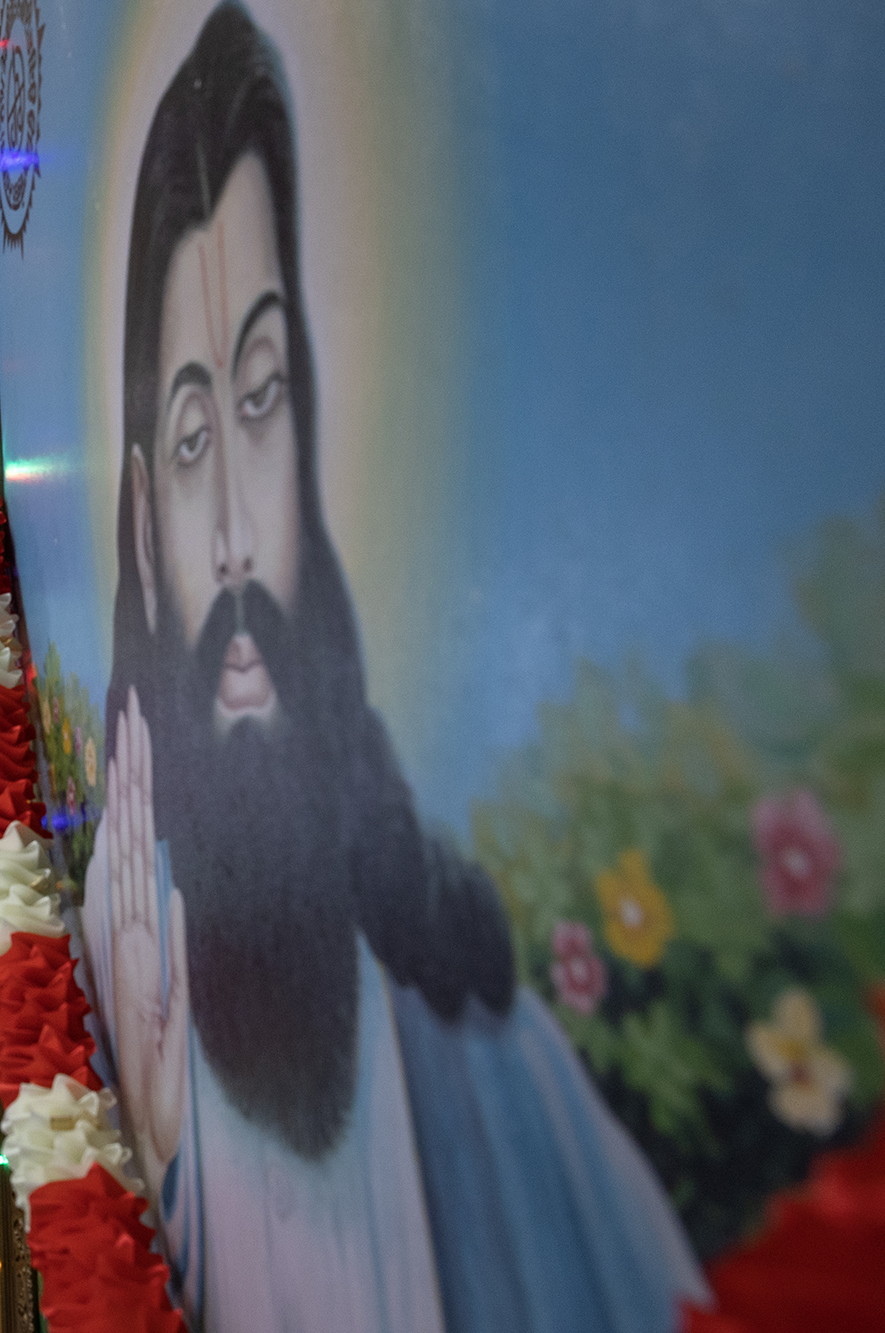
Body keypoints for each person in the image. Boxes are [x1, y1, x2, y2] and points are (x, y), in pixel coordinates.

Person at [83, 5, 707, 1330]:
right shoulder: (125, 935)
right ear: (142, 520)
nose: (242, 539)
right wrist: (149, 1139)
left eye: (262, 401)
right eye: (194, 440)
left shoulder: (462, 1020)